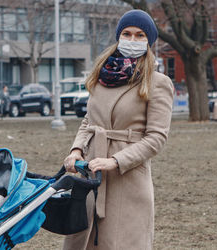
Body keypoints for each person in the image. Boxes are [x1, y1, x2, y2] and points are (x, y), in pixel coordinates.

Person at [62, 9, 173, 249]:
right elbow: (88, 122)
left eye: (140, 35)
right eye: (127, 33)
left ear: (149, 41)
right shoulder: (101, 75)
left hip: (128, 179)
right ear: (118, 36)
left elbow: (156, 138)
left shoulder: (158, 82)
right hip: (91, 175)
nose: (132, 40)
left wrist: (116, 161)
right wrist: (76, 150)